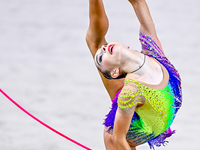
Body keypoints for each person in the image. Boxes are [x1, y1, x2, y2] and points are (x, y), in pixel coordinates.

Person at [86, 0, 182, 150]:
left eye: (105, 47)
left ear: (125, 46)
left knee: (96, 43)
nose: (104, 48)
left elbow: (138, 2)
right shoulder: (130, 92)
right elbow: (119, 140)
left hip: (150, 110)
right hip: (135, 125)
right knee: (112, 136)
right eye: (101, 56)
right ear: (115, 72)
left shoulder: (152, 49)